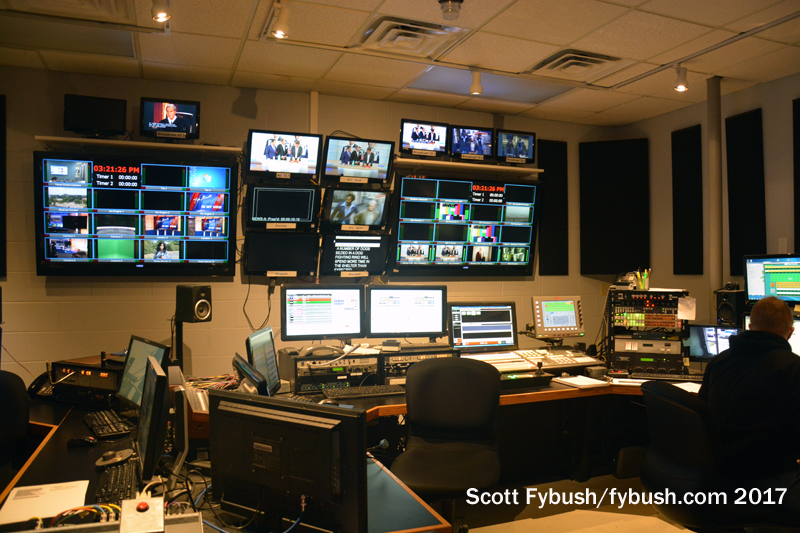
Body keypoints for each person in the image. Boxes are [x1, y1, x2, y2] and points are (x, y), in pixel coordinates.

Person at [699, 296, 800, 526]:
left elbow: (702, 419)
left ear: (750, 327)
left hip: (718, 478)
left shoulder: (718, 363)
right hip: (769, 482)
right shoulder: (793, 368)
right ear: (791, 332)